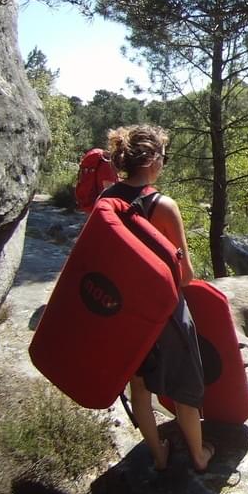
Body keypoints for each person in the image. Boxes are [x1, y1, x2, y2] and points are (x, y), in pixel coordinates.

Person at [103, 125, 214, 473]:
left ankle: (158, 454)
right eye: (163, 156)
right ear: (152, 160)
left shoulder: (106, 203)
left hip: (124, 312)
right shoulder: (162, 206)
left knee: (139, 385)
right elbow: (186, 275)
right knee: (185, 387)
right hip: (164, 314)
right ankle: (198, 455)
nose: (164, 163)